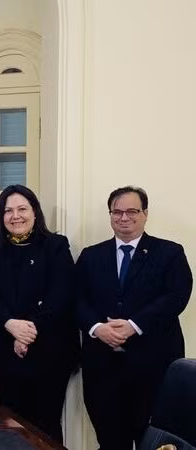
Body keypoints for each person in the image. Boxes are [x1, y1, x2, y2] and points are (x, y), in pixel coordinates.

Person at [77, 186, 192, 450]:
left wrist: (133, 325)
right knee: (109, 442)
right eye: (117, 212)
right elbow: (76, 299)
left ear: (145, 214)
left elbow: (176, 296)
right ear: (110, 215)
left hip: (153, 368)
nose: (124, 218)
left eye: (132, 211)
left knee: (153, 442)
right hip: (102, 370)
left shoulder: (170, 253)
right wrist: (97, 328)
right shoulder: (91, 256)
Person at [0, 185, 79, 442]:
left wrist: (27, 332)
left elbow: (61, 294)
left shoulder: (55, 245)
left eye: (22, 209)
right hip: (6, 349)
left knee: (47, 424)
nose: (15, 216)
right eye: (8, 210)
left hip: (50, 350)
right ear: (0, 216)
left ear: (35, 212)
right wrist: (11, 325)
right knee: (11, 424)